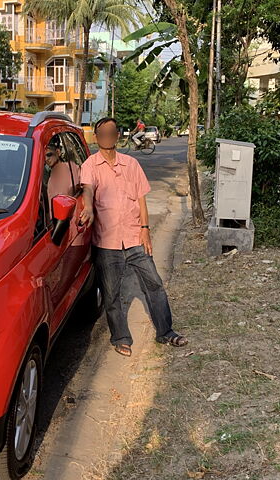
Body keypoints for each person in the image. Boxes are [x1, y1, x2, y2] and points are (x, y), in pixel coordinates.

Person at [79, 117, 188, 357]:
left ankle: (166, 332)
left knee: (155, 285)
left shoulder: (131, 164)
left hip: (134, 237)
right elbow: (87, 190)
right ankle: (121, 337)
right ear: (97, 138)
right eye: (102, 133)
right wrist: (87, 208)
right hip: (106, 241)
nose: (107, 136)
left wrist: (145, 229)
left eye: (111, 132)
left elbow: (141, 199)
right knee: (112, 294)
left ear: (117, 136)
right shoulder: (90, 165)